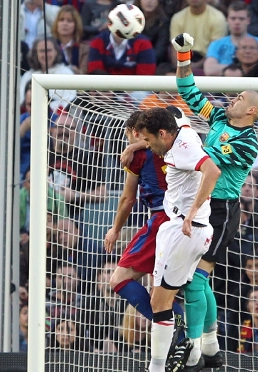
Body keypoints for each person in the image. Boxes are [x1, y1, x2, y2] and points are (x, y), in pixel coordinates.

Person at [170, 32, 258, 370]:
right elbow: (188, 92)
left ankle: (194, 348)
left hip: (222, 210)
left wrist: (177, 141)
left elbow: (206, 159)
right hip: (202, 204)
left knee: (195, 278)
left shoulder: (248, 143)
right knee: (198, 278)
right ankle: (211, 349)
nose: (233, 98)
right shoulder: (221, 119)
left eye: (239, 97)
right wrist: (184, 55)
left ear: (251, 110)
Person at [134, 107, 221, 372]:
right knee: (163, 298)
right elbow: (174, 110)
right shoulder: (179, 127)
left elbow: (212, 171)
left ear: (163, 133)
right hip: (183, 228)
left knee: (160, 302)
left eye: (148, 141)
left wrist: (192, 211)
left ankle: (158, 367)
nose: (147, 147)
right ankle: (195, 349)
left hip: (185, 230)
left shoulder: (183, 147)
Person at [104, 111, 184, 329]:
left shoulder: (137, 156)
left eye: (128, 137)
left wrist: (115, 229)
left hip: (162, 220)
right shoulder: (177, 145)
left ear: (134, 132)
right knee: (167, 290)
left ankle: (175, 325)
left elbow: (128, 199)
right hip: (189, 221)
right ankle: (189, 337)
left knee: (118, 279)